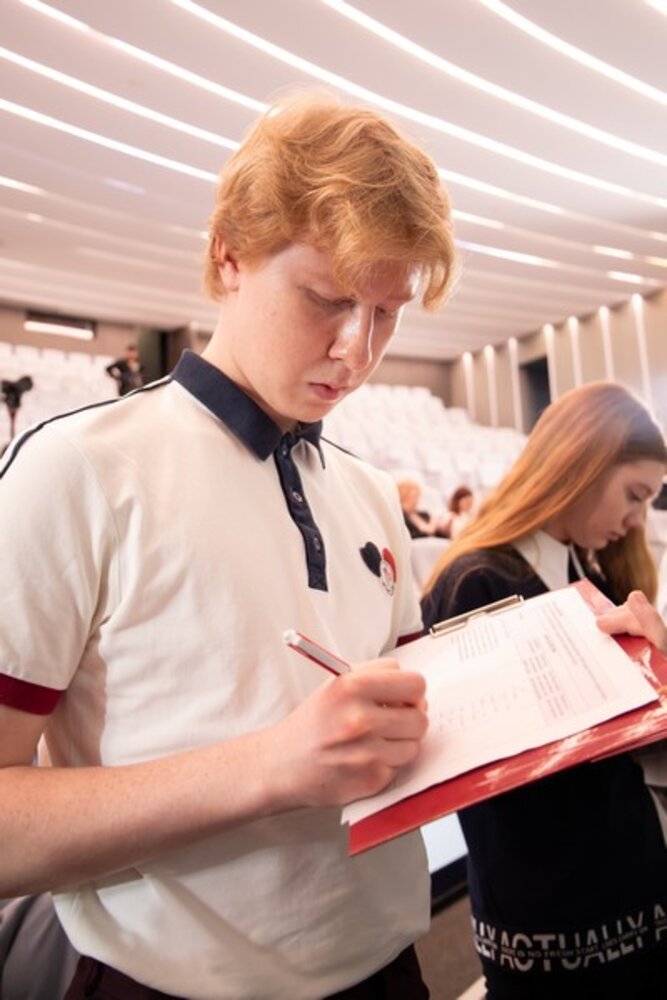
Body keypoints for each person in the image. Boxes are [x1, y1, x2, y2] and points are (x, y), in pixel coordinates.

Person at [0, 93, 456, 1000]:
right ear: (228, 256)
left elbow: (426, 733)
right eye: (328, 299)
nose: (357, 349)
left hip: (389, 970)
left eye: (387, 312)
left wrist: (581, 679)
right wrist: (271, 768)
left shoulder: (369, 493)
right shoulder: (78, 470)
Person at [422, 382, 667, 1000]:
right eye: (634, 496)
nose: (636, 521)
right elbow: (499, 781)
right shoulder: (479, 581)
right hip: (552, 909)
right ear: (582, 463)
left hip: (623, 879)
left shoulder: (586, 569)